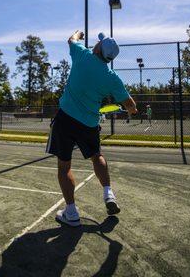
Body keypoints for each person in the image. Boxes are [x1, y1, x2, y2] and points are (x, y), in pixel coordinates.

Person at [46, 30, 137, 227]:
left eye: (99, 42)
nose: (96, 43)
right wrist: (131, 109)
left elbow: (71, 39)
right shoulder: (112, 77)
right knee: (97, 156)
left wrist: (78, 33)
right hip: (89, 124)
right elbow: (130, 105)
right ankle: (108, 193)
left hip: (66, 120)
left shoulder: (82, 55)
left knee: (64, 167)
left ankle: (71, 213)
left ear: (98, 48)